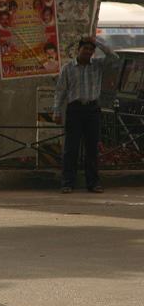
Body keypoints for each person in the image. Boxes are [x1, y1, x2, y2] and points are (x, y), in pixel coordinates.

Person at [53, 35, 117, 193]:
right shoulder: (68, 68)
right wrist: (56, 111)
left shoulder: (98, 65)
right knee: (71, 148)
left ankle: (93, 183)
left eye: (91, 49)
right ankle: (67, 183)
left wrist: (98, 42)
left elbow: (114, 57)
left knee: (92, 148)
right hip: (75, 109)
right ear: (78, 49)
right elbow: (60, 91)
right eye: (85, 48)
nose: (88, 52)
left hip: (92, 110)